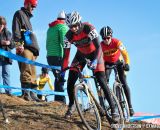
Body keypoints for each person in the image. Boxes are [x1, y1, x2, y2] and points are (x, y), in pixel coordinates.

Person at [62, 11, 117, 122]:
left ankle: (113, 109)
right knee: (70, 80)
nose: (73, 28)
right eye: (70, 26)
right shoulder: (68, 36)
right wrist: (63, 70)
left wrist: (96, 61)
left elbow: (99, 48)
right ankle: (72, 105)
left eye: (75, 25)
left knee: (101, 80)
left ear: (80, 22)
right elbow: (66, 55)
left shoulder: (89, 28)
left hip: (96, 54)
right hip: (81, 55)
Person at [100, 26, 134, 116]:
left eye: (108, 38)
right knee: (104, 83)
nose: (106, 40)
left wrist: (127, 64)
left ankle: (130, 106)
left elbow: (125, 53)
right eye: (104, 38)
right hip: (107, 63)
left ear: (111, 36)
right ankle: (103, 104)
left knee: (124, 82)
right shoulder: (100, 45)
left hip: (118, 62)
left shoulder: (117, 42)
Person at [12, 0, 40, 101]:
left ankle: (33, 95)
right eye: (32, 6)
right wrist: (19, 45)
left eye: (35, 6)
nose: (34, 8)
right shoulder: (19, 14)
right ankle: (26, 94)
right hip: (24, 48)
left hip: (31, 50)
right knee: (26, 71)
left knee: (33, 72)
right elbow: (16, 31)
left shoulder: (27, 18)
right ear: (27, 4)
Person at [46, 11, 68, 104]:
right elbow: (65, 43)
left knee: (57, 78)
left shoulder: (50, 28)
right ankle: (61, 101)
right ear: (65, 20)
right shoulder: (62, 27)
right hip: (59, 56)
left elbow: (47, 44)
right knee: (61, 78)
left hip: (49, 57)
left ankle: (57, 99)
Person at [0, 16, 15, 95]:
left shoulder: (8, 33)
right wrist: (1, 42)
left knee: (6, 74)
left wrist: (9, 43)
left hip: (6, 57)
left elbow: (13, 45)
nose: (1, 26)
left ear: (4, 24)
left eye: (2, 24)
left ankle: (8, 92)